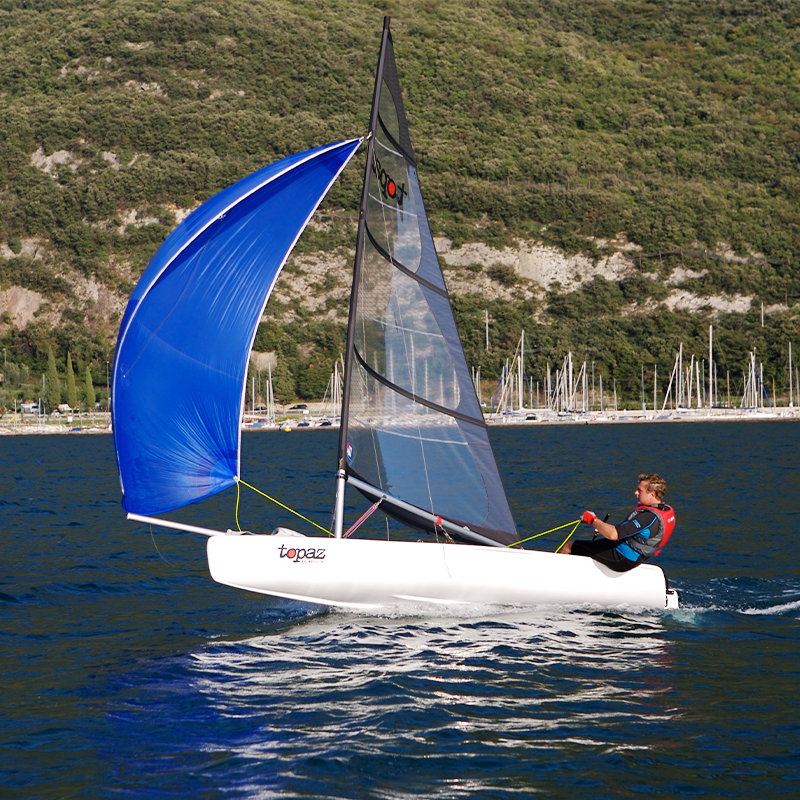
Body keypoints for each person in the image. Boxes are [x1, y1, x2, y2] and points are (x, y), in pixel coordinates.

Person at [561, 473, 675, 572]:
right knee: (587, 547)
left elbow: (614, 535)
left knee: (569, 546)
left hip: (622, 558)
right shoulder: (663, 509)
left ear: (652, 495)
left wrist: (593, 520)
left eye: (640, 490)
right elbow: (629, 531)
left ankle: (555, 577)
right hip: (632, 554)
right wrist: (604, 528)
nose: (635, 492)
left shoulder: (647, 516)